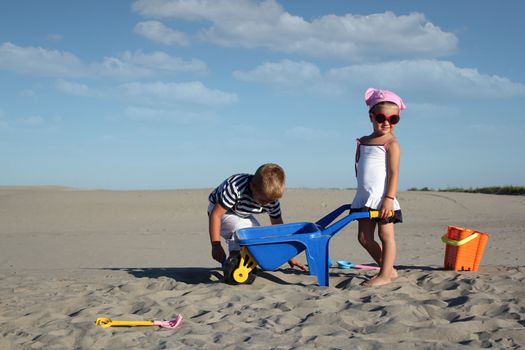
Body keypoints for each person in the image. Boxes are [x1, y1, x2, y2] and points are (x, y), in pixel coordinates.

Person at [208, 163, 307, 272]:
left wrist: (289, 256)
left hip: (242, 213)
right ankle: (234, 263)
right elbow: (215, 215)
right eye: (263, 201)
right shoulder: (236, 187)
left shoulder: (271, 201)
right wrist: (216, 245)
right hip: (220, 210)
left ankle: (246, 263)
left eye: (270, 201)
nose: (266, 204)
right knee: (240, 231)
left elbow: (278, 228)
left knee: (256, 235)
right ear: (252, 187)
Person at [351, 88, 405, 286]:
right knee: (364, 238)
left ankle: (384, 275)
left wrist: (388, 200)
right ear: (371, 117)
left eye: (393, 119)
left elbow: (393, 174)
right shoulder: (364, 142)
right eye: (381, 117)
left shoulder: (391, 144)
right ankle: (389, 269)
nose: (386, 123)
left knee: (385, 235)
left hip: (383, 198)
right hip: (365, 198)